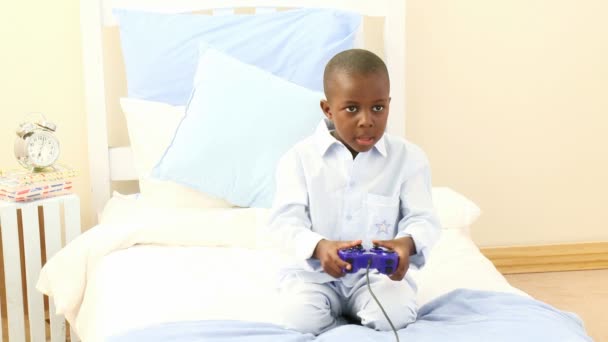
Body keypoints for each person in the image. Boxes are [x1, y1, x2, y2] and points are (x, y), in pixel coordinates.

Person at [267, 49, 441, 335]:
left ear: (388, 104)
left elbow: (423, 219)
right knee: (299, 318)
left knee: (394, 316)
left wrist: (405, 245)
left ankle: (360, 324)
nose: (366, 120)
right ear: (327, 109)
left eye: (377, 108)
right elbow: (285, 223)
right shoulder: (298, 159)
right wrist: (320, 246)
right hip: (315, 276)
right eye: (352, 108)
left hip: (377, 276)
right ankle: (346, 330)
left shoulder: (409, 158)